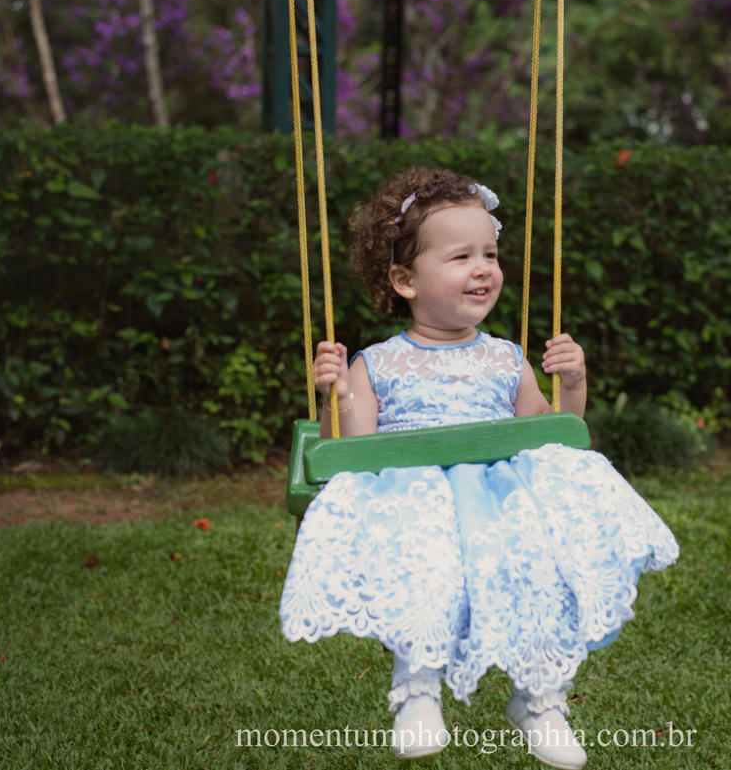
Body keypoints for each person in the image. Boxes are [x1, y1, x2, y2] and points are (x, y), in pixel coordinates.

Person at [279, 167, 678, 769]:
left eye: (489, 253)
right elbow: (350, 453)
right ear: (405, 279)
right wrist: (335, 395)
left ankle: (541, 698)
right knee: (426, 574)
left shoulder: (506, 358)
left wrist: (573, 384)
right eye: (461, 255)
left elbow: (552, 437)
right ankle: (416, 691)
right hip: (416, 501)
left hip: (503, 498)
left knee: (537, 572)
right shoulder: (378, 364)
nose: (483, 268)